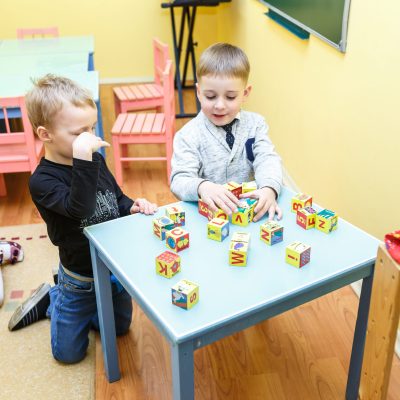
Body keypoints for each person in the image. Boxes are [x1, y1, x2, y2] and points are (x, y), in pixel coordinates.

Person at [8, 74, 157, 365]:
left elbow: (116, 199)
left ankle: (75, 304)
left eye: (91, 128)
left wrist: (133, 207)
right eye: (79, 133)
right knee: (68, 355)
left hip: (113, 269)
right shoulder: (43, 180)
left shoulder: (94, 160)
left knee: (119, 330)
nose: (89, 138)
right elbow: (81, 209)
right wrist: (82, 158)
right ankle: (51, 299)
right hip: (80, 279)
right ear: (45, 134)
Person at [170, 43, 283, 222]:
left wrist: (269, 188)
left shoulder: (256, 124)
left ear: (245, 94)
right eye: (210, 96)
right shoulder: (187, 136)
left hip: (248, 217)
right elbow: (179, 180)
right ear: (198, 92)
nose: (220, 105)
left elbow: (267, 159)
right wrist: (203, 187)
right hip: (208, 220)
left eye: (230, 97)